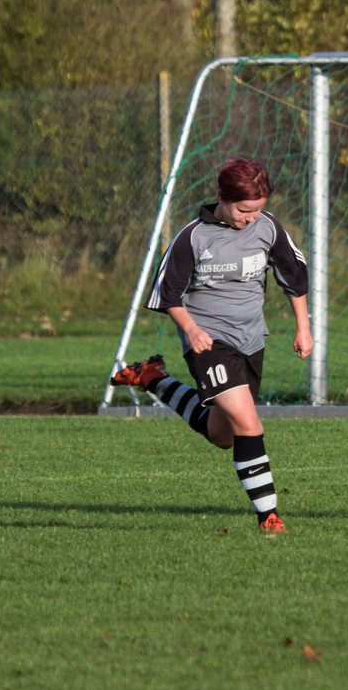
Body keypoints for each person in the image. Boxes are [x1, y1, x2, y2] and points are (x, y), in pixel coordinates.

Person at [111, 157, 312, 534]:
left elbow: (294, 276)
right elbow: (166, 293)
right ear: (222, 197)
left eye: (258, 210)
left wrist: (304, 328)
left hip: (251, 340)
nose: (250, 217)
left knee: (224, 435)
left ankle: (153, 379)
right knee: (249, 424)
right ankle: (268, 515)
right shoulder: (193, 237)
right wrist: (190, 328)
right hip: (208, 343)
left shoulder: (269, 229)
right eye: (243, 209)